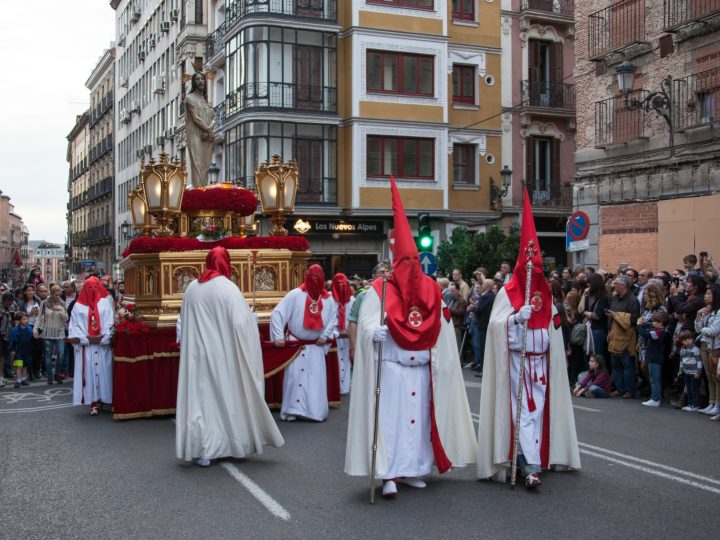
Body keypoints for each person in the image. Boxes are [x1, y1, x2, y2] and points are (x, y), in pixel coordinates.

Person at [345, 177, 477, 498]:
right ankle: (388, 474)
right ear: (394, 264)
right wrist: (370, 333)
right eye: (404, 263)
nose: (410, 268)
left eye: (413, 262)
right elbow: (365, 323)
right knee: (390, 423)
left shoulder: (431, 291)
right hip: (391, 370)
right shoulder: (381, 289)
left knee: (416, 425)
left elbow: (442, 328)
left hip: (421, 372)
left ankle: (414, 469)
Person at [477, 189, 580, 489]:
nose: (534, 269)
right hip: (517, 364)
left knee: (536, 416)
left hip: (541, 365)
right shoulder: (507, 294)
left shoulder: (545, 293)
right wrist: (513, 319)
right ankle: (529, 466)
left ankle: (534, 459)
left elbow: (553, 325)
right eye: (529, 262)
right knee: (521, 414)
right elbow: (496, 327)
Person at [175, 247, 284, 467]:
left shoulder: (192, 289)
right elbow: (240, 326)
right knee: (227, 399)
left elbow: (183, 322)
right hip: (224, 356)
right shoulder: (229, 289)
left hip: (198, 355)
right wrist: (251, 321)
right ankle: (233, 443)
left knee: (202, 401)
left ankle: (205, 448)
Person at [270, 264, 338, 422]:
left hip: (315, 346)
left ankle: (313, 411)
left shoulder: (329, 300)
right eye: (312, 277)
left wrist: (325, 335)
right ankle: (292, 410)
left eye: (318, 278)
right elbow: (278, 313)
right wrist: (279, 336)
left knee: (314, 378)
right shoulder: (295, 295)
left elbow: (333, 319)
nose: (314, 280)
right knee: (294, 377)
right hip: (296, 346)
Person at [68, 277, 115, 416]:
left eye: (95, 287)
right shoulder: (78, 306)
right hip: (87, 347)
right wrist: (83, 338)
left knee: (104, 372)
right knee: (89, 375)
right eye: (89, 288)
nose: (92, 290)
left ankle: (105, 399)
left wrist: (106, 336)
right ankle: (93, 402)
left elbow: (110, 321)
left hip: (101, 346)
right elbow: (74, 325)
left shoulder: (105, 303)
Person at [607, 275, 641, 399]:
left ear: (623, 285)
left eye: (615, 283)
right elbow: (611, 316)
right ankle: (619, 388)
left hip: (626, 336)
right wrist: (609, 331)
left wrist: (616, 315)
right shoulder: (615, 298)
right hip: (614, 335)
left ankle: (629, 390)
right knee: (615, 365)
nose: (613, 285)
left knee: (627, 365)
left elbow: (633, 319)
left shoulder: (633, 300)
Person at [185, 72, 215, 187]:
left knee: (206, 164)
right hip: (195, 134)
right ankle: (198, 191)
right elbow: (196, 118)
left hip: (206, 136)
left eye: (202, 79)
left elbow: (213, 118)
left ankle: (203, 190)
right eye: (197, 79)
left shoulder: (207, 101)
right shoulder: (190, 98)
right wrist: (208, 130)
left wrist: (210, 130)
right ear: (194, 82)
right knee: (197, 163)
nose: (201, 81)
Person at [34, 284, 68, 385]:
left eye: (59, 294)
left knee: (61, 354)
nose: (57, 297)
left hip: (59, 332)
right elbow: (39, 317)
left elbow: (66, 319)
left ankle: (57, 373)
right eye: (56, 295)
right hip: (47, 332)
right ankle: (50, 375)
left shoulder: (62, 303)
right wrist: (36, 330)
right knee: (47, 355)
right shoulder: (44, 303)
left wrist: (60, 310)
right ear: (51, 294)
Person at [695, 284, 720, 416]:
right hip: (704, 344)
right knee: (709, 376)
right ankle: (711, 402)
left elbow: (713, 331)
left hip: (715, 345)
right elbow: (698, 329)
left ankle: (717, 404)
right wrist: (699, 314)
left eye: (709, 294)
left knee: (716, 376)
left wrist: (704, 331)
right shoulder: (706, 310)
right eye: (705, 294)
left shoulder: (718, 312)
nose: (706, 296)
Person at [636, 311, 670, 407]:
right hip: (652, 357)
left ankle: (655, 399)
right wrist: (643, 324)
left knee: (655, 379)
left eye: (655, 321)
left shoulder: (659, 333)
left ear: (661, 322)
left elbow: (644, 334)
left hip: (655, 358)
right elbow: (647, 329)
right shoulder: (658, 330)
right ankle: (654, 397)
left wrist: (638, 325)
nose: (653, 323)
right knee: (653, 378)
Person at [328, 273, 354, 395]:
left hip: (347, 336)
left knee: (346, 360)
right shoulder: (328, 298)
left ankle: (345, 387)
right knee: (335, 360)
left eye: (345, 285)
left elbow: (354, 319)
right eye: (339, 284)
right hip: (333, 335)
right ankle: (335, 386)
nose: (342, 287)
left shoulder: (352, 300)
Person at [466, 279, 495, 374]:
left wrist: (473, 307)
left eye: (483, 284)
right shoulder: (492, 295)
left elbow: (479, 310)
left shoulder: (484, 296)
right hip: (487, 323)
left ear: (486, 286)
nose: (481, 286)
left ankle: (483, 369)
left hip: (482, 324)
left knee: (482, 347)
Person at [677, 330, 702, 412]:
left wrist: (698, 372)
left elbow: (699, 361)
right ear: (681, 341)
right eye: (685, 340)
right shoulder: (682, 350)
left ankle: (695, 404)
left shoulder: (695, 349)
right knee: (689, 389)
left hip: (694, 373)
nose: (688, 341)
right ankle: (690, 404)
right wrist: (680, 371)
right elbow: (681, 361)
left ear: (693, 339)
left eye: (689, 339)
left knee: (694, 389)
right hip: (686, 372)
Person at [9, 312, 33, 388]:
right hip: (18, 350)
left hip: (28, 350)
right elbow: (12, 340)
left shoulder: (30, 328)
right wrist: (12, 349)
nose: (26, 320)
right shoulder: (15, 330)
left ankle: (24, 379)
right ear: (19, 321)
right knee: (19, 366)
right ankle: (18, 380)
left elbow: (33, 338)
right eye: (24, 319)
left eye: (27, 319)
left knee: (25, 366)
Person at [447, 282, 468, 355]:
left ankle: (460, 362)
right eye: (450, 291)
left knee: (457, 344)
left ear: (458, 290)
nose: (451, 292)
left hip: (456, 325)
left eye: (453, 291)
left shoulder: (461, 300)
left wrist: (449, 309)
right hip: (450, 324)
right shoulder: (451, 299)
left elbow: (461, 312)